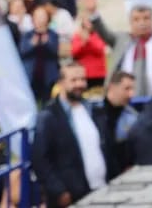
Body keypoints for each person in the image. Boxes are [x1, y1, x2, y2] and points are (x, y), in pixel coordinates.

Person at [32, 63, 108, 207]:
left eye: (82, 79)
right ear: (61, 83)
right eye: (73, 80)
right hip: (72, 195)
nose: (80, 84)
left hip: (102, 189)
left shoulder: (93, 110)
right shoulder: (48, 116)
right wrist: (59, 191)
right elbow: (40, 159)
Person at [90, 71, 138, 181]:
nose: (131, 94)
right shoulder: (92, 112)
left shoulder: (133, 117)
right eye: (127, 89)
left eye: (132, 89)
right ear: (112, 87)